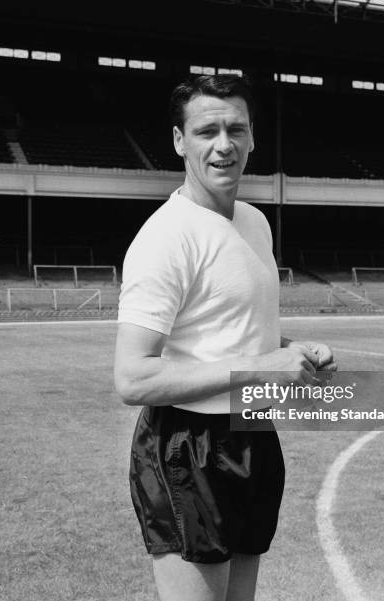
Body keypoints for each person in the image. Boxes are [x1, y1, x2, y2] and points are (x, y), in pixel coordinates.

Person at [114, 75, 336, 601]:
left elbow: (238, 328)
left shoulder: (256, 223)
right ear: (178, 141)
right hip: (185, 446)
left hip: (252, 433)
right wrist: (262, 368)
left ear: (253, 137)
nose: (224, 144)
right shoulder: (165, 237)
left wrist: (294, 351)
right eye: (206, 130)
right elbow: (132, 376)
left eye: (236, 128)